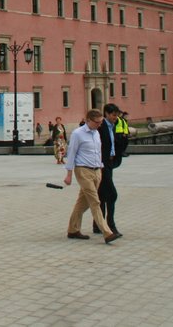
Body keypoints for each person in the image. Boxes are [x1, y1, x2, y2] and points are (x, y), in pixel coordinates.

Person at [63, 109, 120, 244]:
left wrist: (100, 166)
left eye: (101, 122)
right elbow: (71, 154)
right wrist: (69, 174)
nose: (99, 125)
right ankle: (107, 232)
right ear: (88, 120)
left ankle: (73, 229)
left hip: (96, 170)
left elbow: (97, 151)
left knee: (83, 203)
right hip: (83, 170)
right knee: (95, 201)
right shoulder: (78, 134)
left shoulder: (96, 133)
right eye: (97, 122)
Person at [95, 104, 121, 235]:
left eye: (117, 115)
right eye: (113, 115)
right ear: (106, 113)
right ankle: (110, 224)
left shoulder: (113, 126)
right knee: (112, 194)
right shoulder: (101, 127)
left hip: (109, 163)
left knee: (102, 194)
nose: (115, 117)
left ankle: (97, 225)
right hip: (101, 164)